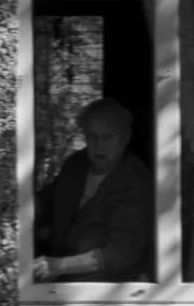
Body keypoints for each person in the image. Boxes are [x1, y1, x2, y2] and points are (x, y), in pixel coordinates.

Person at [33, 95, 153, 281]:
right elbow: (47, 203)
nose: (99, 145)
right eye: (92, 136)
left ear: (126, 138)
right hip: (60, 287)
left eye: (108, 137)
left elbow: (122, 252)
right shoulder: (76, 165)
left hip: (108, 291)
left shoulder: (134, 180)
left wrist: (58, 266)